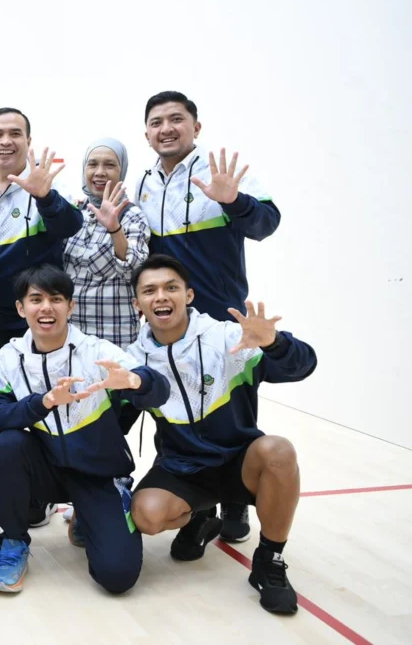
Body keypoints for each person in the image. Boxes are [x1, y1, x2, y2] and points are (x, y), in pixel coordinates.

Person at [127, 255, 316, 615]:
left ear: (190, 295)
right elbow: (113, 425)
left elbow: (304, 365)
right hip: (182, 469)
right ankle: (201, 515)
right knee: (147, 515)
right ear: (137, 304)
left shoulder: (228, 337)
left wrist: (274, 342)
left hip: (238, 462)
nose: (161, 297)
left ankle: (269, 562)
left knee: (279, 451)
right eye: (149, 291)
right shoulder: (132, 360)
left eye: (171, 288)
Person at [135, 90, 282, 543]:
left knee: (233, 408)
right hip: (169, 318)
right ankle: (199, 504)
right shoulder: (141, 184)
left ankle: (237, 502)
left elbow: (266, 223)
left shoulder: (221, 173)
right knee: (178, 406)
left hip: (223, 314)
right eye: (157, 122)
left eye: (176, 119)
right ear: (147, 133)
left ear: (196, 127)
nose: (167, 128)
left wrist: (234, 200)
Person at [0, 265, 169, 595]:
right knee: (8, 444)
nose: (46, 308)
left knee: (117, 577)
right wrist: (44, 402)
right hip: (44, 471)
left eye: (56, 299)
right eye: (36, 299)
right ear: (20, 308)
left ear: (71, 306)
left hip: (96, 474)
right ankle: (12, 543)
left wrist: (138, 381)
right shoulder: (9, 358)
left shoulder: (98, 353)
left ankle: (94, 511)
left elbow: (159, 391)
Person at [0, 107, 84, 525]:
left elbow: (70, 225)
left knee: (41, 398)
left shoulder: (46, 186)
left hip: (36, 319)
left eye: (15, 133)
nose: (6, 141)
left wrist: (44, 195)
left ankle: (50, 482)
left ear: (28, 141)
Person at [63, 138, 150, 349]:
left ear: (122, 170)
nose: (100, 172)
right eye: (92, 164)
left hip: (114, 337)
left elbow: (133, 269)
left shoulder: (132, 215)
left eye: (109, 165)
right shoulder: (75, 213)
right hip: (71, 336)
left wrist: (114, 228)